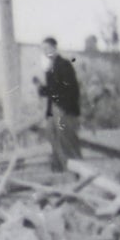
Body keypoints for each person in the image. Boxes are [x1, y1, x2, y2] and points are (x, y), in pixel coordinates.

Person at [35, 37, 82, 170]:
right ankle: (61, 167)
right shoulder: (50, 68)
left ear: (54, 48)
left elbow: (71, 89)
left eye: (47, 48)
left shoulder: (64, 65)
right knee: (51, 134)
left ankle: (78, 170)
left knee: (67, 140)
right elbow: (52, 90)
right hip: (53, 109)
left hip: (64, 109)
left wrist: (65, 109)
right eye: (43, 49)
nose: (45, 52)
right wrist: (41, 88)